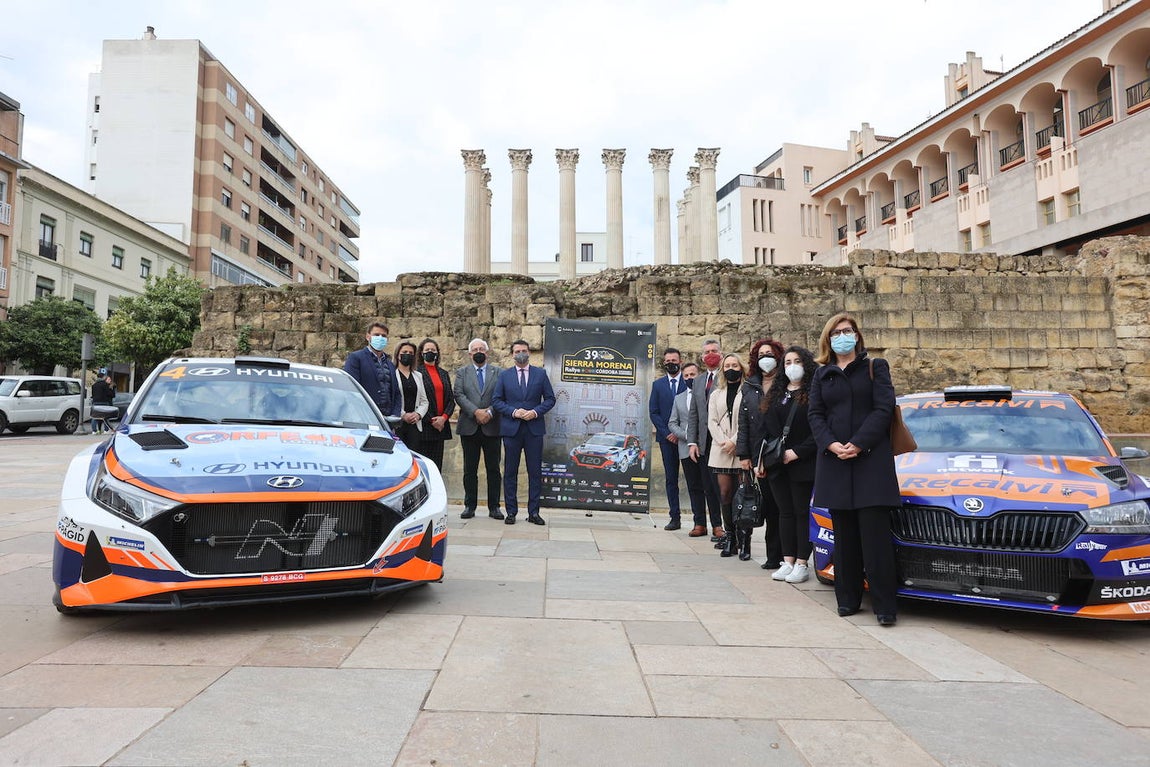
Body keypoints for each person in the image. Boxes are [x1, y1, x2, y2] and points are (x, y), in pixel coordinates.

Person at [808, 313, 901, 626]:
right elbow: (815, 415)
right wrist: (832, 444)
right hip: (835, 462)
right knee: (844, 540)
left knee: (875, 540)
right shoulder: (822, 374)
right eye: (836, 332)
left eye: (847, 331)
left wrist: (859, 443)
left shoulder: (876, 368)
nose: (842, 336)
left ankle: (885, 606)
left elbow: (883, 408)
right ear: (828, 339)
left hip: (870, 462)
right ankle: (847, 599)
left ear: (857, 336)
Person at [762, 345, 819, 583]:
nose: (791, 366)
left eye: (797, 361)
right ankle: (788, 560)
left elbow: (818, 430)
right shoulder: (776, 394)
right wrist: (762, 459)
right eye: (787, 362)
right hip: (778, 463)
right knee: (784, 513)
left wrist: (797, 452)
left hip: (802, 462)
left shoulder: (814, 393)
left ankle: (802, 563)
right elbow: (765, 430)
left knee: (801, 512)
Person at [492, 339, 556, 525]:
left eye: (524, 350)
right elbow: (496, 401)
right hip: (511, 430)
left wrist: (535, 412)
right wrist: (513, 411)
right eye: (517, 350)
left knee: (534, 473)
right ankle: (511, 512)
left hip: (533, 430)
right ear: (512, 354)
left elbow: (550, 399)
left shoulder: (541, 374)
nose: (521, 353)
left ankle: (533, 513)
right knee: (510, 472)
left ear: (529, 353)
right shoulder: (504, 376)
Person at [736, 339, 786, 566]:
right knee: (768, 507)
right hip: (760, 455)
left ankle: (789, 556)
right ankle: (773, 556)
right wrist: (744, 455)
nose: (766, 357)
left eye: (770, 353)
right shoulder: (750, 385)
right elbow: (744, 422)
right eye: (761, 354)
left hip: (783, 453)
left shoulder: (787, 382)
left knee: (784, 507)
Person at [453, 338, 505, 520]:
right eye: (474, 349)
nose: (478, 351)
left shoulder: (498, 372)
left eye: (481, 348)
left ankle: (494, 507)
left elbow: (501, 394)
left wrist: (489, 412)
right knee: (469, 470)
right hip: (469, 426)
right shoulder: (462, 373)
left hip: (492, 427)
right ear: (469, 354)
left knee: (494, 469)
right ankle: (469, 506)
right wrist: (475, 412)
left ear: (487, 352)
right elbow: (458, 394)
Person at [708, 353, 749, 559]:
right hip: (721, 448)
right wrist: (724, 441)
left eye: (734, 365)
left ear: (741, 367)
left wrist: (735, 440)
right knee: (725, 494)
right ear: (722, 369)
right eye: (727, 365)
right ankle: (730, 536)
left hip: (741, 448)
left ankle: (744, 539)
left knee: (742, 496)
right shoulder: (716, 393)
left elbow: (750, 420)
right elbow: (711, 421)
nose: (731, 368)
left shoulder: (749, 390)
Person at [686, 339, 726, 543]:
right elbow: (693, 414)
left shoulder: (727, 375)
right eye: (707, 352)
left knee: (720, 486)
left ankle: (721, 526)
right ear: (702, 358)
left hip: (722, 442)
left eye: (714, 351)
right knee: (706, 485)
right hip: (703, 442)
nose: (711, 354)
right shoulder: (699, 380)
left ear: (721, 353)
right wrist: (692, 442)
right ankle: (707, 524)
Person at [667, 362, 708, 537]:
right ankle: (699, 523)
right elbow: (672, 423)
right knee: (694, 487)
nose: (690, 378)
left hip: (706, 447)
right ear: (683, 379)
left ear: (699, 376)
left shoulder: (708, 394)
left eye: (693, 375)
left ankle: (717, 524)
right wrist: (687, 435)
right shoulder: (679, 398)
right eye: (686, 376)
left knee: (711, 487)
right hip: (686, 449)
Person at [649, 348, 687, 531]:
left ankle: (700, 520)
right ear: (664, 363)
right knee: (671, 479)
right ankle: (675, 517)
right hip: (667, 440)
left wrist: (683, 433)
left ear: (680, 361)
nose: (671, 363)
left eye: (674, 359)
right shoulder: (658, 385)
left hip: (687, 439)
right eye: (668, 360)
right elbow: (654, 412)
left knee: (694, 480)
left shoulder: (689, 382)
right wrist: (667, 433)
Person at [343, 321, 401, 418]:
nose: (380, 338)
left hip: (387, 419)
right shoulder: (356, 358)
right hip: (364, 417)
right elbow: (351, 388)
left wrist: (395, 414)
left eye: (383, 336)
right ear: (368, 337)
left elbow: (396, 392)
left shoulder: (390, 363)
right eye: (376, 335)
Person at [417, 338, 455, 471]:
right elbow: (418, 401)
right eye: (427, 350)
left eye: (433, 350)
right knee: (423, 466)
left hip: (441, 426)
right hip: (425, 425)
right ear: (421, 353)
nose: (430, 352)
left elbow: (451, 399)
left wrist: (443, 418)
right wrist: (432, 420)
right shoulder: (417, 373)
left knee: (437, 466)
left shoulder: (443, 373)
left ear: (437, 353)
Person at [393, 340, 429, 452]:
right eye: (404, 352)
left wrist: (418, 414)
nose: (407, 355)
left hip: (415, 425)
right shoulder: (392, 374)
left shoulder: (418, 376)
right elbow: (390, 399)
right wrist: (403, 415)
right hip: (398, 424)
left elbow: (424, 401)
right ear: (398, 354)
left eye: (411, 353)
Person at [90, 370, 115, 434]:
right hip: (104, 402)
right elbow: (109, 393)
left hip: (95, 402)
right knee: (105, 416)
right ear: (103, 377)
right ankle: (106, 430)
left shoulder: (94, 385)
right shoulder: (105, 384)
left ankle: (94, 431)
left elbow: (93, 394)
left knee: (95, 417)